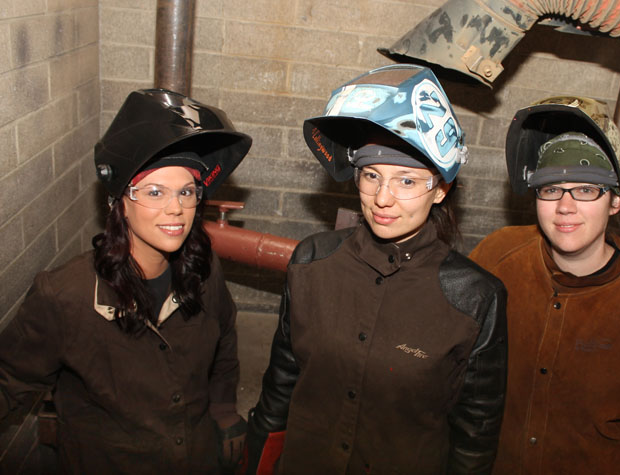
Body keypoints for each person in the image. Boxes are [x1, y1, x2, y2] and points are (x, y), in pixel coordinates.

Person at [242, 64, 507, 474]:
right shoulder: (313, 262)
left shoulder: (474, 297)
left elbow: (475, 434)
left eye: (406, 181)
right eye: (371, 176)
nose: (383, 198)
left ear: (440, 189)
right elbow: (281, 383)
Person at [0, 89, 253, 473]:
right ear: (119, 201)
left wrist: (221, 408)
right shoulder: (66, 297)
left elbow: (225, 338)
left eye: (186, 192)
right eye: (155, 192)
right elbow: (9, 381)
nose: (176, 208)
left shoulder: (203, 271)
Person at [469, 96, 620, 474]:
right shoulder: (495, 257)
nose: (565, 206)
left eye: (585, 190)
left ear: (615, 201)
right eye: (551, 189)